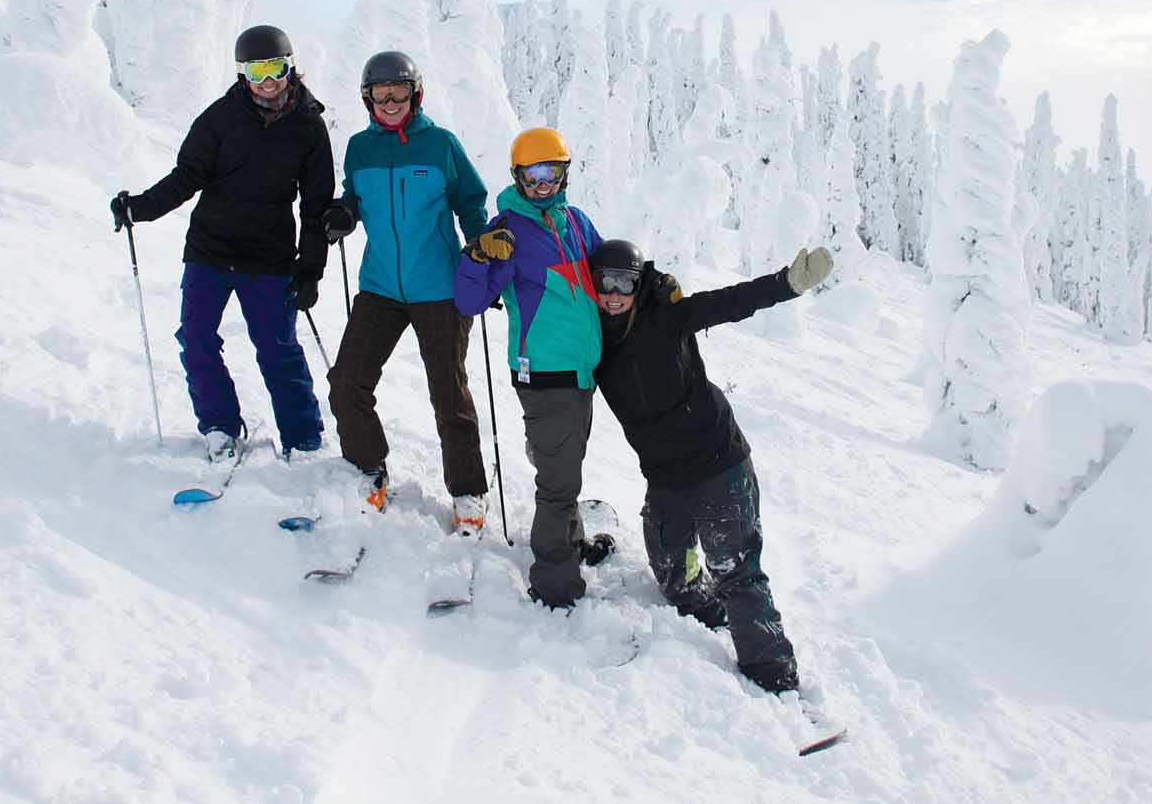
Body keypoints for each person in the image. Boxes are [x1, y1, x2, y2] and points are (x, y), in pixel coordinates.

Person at [588, 237, 833, 695]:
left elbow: (731, 302)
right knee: (673, 574)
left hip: (718, 465)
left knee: (735, 569)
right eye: (606, 282)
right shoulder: (594, 340)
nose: (615, 292)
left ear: (640, 285)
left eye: (626, 282)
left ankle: (773, 673)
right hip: (665, 479)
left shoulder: (668, 317)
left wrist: (787, 283)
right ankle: (711, 614)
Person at [110, 25, 333, 459]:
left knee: (276, 348)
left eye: (276, 68)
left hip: (269, 258)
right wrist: (141, 208)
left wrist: (310, 270)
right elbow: (186, 177)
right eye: (256, 71)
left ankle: (303, 436)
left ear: (291, 66)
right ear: (241, 73)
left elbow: (316, 206)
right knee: (196, 338)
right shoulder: (220, 118)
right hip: (210, 251)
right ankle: (220, 425)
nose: (267, 81)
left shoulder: (309, 128)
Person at [322, 51, 491, 531]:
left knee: (448, 395)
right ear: (367, 98)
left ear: (415, 96)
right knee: (347, 382)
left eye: (399, 94)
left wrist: (480, 253)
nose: (390, 103)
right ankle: (369, 470)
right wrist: (343, 214)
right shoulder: (360, 148)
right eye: (381, 94)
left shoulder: (440, 145)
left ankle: (468, 493)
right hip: (380, 286)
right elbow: (353, 200)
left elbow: (471, 203)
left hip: (438, 287)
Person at [453, 128, 608, 608]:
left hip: (580, 372)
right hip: (543, 374)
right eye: (533, 176)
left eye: (552, 174)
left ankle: (572, 544)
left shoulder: (576, 222)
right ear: (517, 177)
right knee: (557, 484)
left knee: (566, 467)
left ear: (564, 174)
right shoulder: (509, 230)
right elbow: (470, 299)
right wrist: (478, 255)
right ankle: (554, 582)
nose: (543, 185)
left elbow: (605, 276)